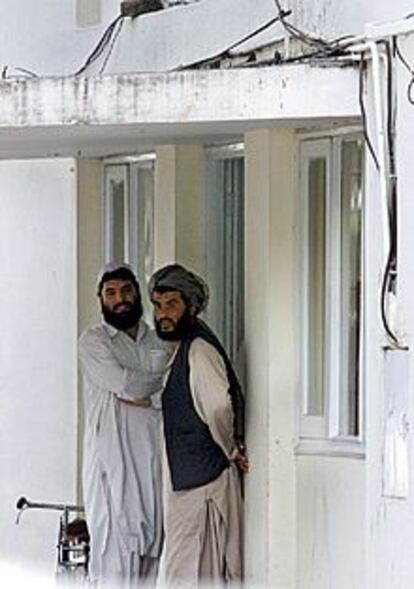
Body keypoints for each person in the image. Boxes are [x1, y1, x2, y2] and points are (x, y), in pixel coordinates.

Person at [148, 263, 248, 588]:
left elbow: (219, 407)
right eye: (158, 306)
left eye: (172, 305)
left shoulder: (200, 350)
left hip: (204, 488)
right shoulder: (182, 349)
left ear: (189, 306)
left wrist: (231, 448)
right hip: (189, 487)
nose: (163, 314)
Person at [78, 262, 170, 588]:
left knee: (152, 556)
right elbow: (127, 385)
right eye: (111, 293)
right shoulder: (94, 342)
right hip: (112, 463)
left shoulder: (159, 340)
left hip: (154, 460)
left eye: (127, 290)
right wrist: (151, 387)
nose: (120, 299)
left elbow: (168, 386)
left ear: (137, 293)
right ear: (101, 298)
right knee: (114, 558)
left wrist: (152, 393)